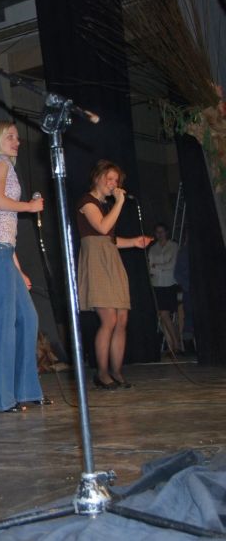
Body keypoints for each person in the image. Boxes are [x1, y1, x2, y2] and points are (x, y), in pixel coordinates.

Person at [0, 121, 50, 413]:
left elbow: (5, 229)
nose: (16, 141)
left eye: (17, 137)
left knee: (28, 318)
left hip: (3, 250)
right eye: (10, 137)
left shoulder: (2, 165)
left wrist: (18, 269)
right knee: (4, 321)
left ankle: (26, 390)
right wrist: (30, 207)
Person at [77, 160, 151, 390]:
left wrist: (134, 242)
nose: (113, 184)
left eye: (116, 181)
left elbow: (109, 239)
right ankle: (101, 373)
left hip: (111, 259)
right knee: (108, 319)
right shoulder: (87, 202)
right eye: (109, 179)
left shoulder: (106, 206)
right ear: (97, 178)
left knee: (122, 319)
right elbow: (101, 227)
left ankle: (117, 371)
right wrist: (119, 203)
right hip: (96, 262)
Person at [148, 223, 181, 354]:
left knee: (165, 314)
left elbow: (172, 265)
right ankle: (171, 345)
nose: (160, 234)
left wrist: (157, 267)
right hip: (156, 284)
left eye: (162, 231)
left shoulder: (173, 246)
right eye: (157, 232)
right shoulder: (152, 248)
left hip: (169, 283)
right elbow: (150, 267)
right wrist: (159, 267)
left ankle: (176, 343)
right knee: (162, 315)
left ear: (166, 232)